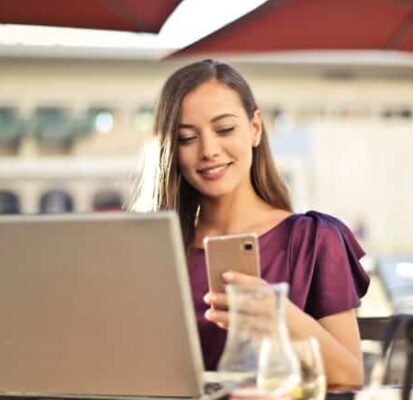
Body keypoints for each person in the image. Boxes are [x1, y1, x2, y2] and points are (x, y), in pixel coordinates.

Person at [138, 59, 369, 387]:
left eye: (224, 129)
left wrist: (281, 319)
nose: (208, 150)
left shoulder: (313, 239)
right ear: (171, 150)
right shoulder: (155, 250)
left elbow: (351, 377)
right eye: (187, 138)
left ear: (255, 129)